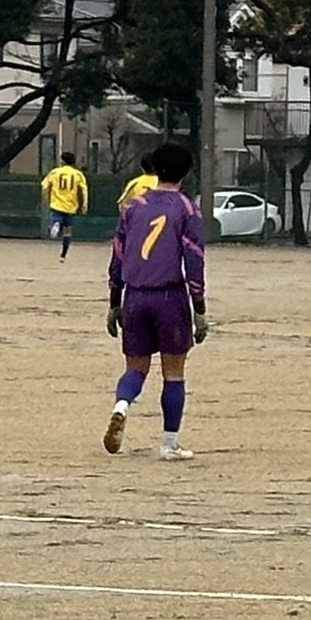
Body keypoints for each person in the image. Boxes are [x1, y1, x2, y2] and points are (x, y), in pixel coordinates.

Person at [103, 140, 208, 460]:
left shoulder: (133, 207)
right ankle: (169, 444)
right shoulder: (187, 209)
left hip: (135, 295)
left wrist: (114, 301)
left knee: (135, 368)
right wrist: (199, 307)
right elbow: (194, 259)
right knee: (173, 372)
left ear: (154, 170)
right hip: (169, 296)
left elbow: (118, 256)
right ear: (186, 172)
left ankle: (122, 406)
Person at [40, 151, 89, 259]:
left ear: (62, 161)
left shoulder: (55, 172)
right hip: (71, 205)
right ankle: (63, 254)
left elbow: (44, 185)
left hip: (57, 203)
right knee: (68, 230)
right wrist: (84, 204)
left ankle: (56, 223)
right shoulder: (78, 174)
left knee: (56, 217)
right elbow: (84, 190)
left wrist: (45, 198)